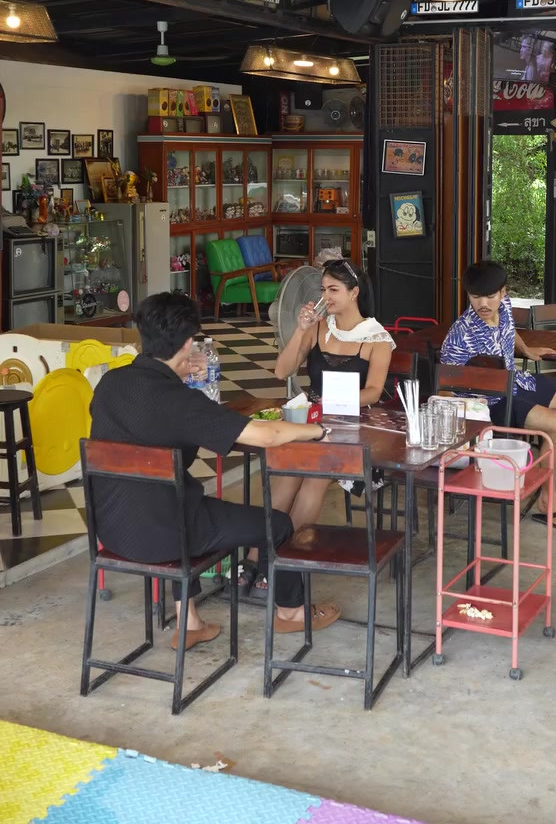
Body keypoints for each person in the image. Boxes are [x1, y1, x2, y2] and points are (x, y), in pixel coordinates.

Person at [89, 291, 341, 650]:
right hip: (167, 535)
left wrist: (177, 376)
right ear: (188, 343)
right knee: (279, 525)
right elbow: (265, 435)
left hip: (112, 531)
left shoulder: (111, 384)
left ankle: (189, 622)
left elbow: (147, 420)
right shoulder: (180, 401)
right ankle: (292, 612)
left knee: (172, 500)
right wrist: (316, 430)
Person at [239, 260, 395, 597]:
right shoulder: (318, 327)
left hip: (351, 423)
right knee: (286, 475)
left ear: (354, 293)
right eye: (323, 289)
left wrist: (333, 403)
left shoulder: (377, 337)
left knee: (313, 476)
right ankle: (255, 556)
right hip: (311, 420)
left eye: (333, 289)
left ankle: (281, 561)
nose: (326, 296)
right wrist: (300, 329)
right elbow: (282, 371)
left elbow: (373, 392)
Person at [440, 261, 556, 532]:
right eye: (475, 296)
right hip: (491, 401)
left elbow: (509, 329)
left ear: (503, 292)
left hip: (513, 380)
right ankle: (547, 498)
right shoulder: (461, 334)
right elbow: (445, 385)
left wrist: (526, 350)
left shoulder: (503, 305)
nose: (483, 304)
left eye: (490, 296)